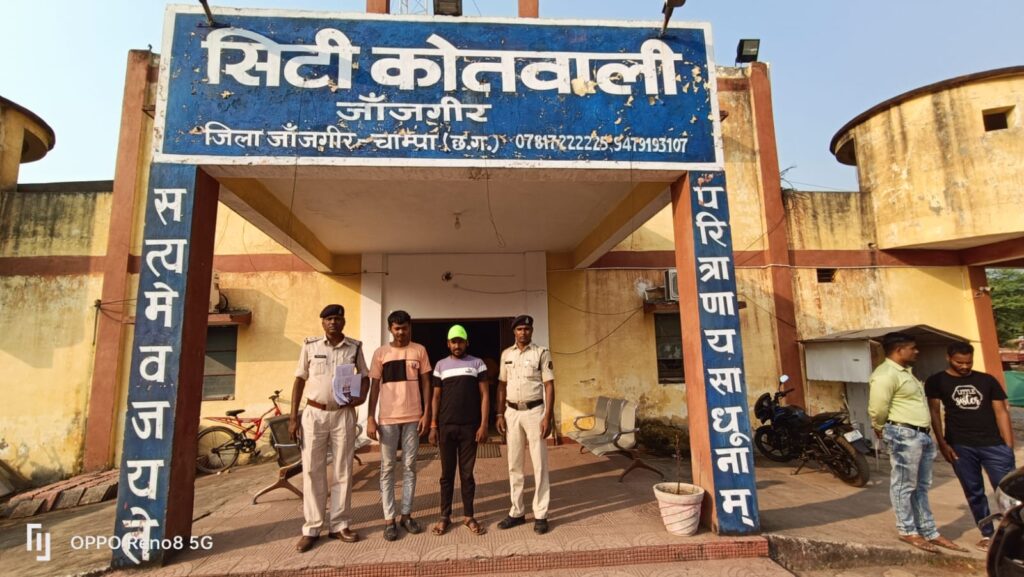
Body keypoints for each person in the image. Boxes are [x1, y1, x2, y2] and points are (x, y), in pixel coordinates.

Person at [868, 332, 966, 553]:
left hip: (920, 434)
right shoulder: (885, 374)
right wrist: (879, 427)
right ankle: (907, 530)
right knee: (904, 484)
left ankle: (929, 531)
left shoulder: (906, 373)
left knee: (921, 486)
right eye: (912, 348)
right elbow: (878, 407)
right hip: (903, 433)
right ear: (899, 350)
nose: (917, 351)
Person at [289, 304, 368, 552]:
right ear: (322, 322)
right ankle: (312, 528)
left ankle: (339, 525)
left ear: (344, 322)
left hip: (343, 413)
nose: (333, 322)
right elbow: (299, 380)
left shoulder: (354, 347)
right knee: (313, 470)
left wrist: (361, 397)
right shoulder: (310, 346)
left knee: (343, 469)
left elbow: (365, 376)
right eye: (329, 319)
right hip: (314, 414)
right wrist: (293, 418)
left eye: (337, 318)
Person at [926, 341, 1016, 551]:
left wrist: (1008, 446)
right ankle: (988, 535)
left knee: (1008, 492)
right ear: (949, 358)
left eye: (969, 362)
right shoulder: (936, 381)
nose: (965, 366)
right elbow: (935, 414)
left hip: (993, 445)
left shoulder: (986, 380)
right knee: (974, 492)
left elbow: (1001, 412)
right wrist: (943, 443)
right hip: (960, 446)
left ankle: (1014, 535)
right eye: (960, 362)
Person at [366, 310, 432, 541]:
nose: (401, 332)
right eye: (397, 328)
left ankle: (406, 515)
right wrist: (370, 417)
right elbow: (374, 386)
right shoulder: (381, 353)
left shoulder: (419, 350)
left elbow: (426, 382)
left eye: (404, 328)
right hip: (387, 419)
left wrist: (426, 414)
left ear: (409, 327)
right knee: (387, 468)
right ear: (390, 329)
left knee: (410, 466)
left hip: (413, 417)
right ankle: (389, 519)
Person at [428, 324, 490, 536]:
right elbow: (436, 397)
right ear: (448, 344)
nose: (457, 345)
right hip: (446, 427)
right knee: (446, 475)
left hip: (470, 427)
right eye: (453, 342)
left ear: (467, 343)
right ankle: (444, 516)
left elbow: (485, 395)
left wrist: (483, 425)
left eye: (460, 341)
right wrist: (433, 425)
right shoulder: (440, 366)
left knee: (467, 474)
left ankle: (469, 516)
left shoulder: (477, 364)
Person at [496, 314, 555, 535]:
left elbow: (549, 385)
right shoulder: (506, 355)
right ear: (514, 331)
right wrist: (499, 414)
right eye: (520, 329)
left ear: (532, 331)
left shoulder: (541, 353)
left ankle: (540, 514)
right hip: (512, 412)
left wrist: (548, 416)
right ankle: (517, 511)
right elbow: (501, 385)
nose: (523, 332)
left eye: (527, 329)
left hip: (535, 412)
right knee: (514, 464)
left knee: (539, 464)